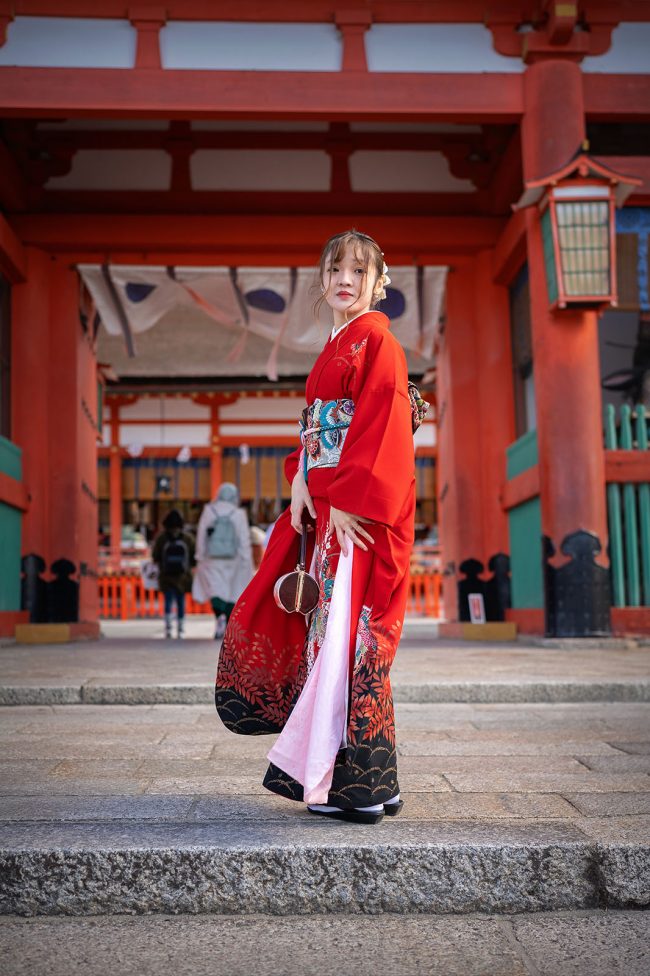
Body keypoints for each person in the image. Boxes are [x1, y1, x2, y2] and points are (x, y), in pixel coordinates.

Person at [215, 229, 422, 825]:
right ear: (323, 278)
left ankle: (350, 786)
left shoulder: (377, 343)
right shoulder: (337, 345)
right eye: (336, 269)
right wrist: (301, 480)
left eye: (359, 271)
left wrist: (356, 499)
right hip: (332, 503)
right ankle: (371, 782)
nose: (345, 280)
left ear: (379, 283)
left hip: (358, 514)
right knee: (334, 641)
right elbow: (314, 428)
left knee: (345, 642)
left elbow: (381, 425)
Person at [193, 483, 254, 639]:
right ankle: (227, 621)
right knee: (231, 590)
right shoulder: (238, 513)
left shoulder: (209, 511)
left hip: (212, 558)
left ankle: (218, 615)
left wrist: (200, 555)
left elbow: (201, 535)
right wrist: (246, 559)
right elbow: (244, 539)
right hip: (233, 560)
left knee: (215, 589)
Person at [152, 508, 195, 639]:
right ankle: (181, 629)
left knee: (168, 601)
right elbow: (194, 557)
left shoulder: (161, 538)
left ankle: (168, 628)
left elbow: (155, 556)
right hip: (183, 576)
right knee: (181, 601)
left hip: (166, 575)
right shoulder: (187, 538)